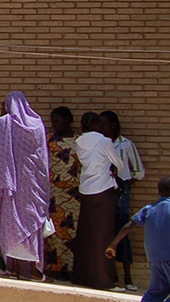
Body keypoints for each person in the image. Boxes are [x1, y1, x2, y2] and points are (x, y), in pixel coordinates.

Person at [0, 91, 53, 281]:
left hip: (11, 186)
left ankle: (15, 269)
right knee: (32, 225)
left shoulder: (4, 124)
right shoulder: (37, 125)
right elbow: (42, 157)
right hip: (33, 187)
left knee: (12, 225)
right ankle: (33, 270)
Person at [71, 112, 121, 289]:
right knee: (103, 236)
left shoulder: (79, 141)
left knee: (87, 234)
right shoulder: (105, 141)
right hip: (103, 190)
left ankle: (83, 276)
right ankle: (103, 279)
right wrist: (115, 168)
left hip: (86, 189)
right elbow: (119, 163)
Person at [104, 110, 146, 291]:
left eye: (104, 124)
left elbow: (139, 172)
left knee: (122, 229)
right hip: (105, 190)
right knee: (107, 230)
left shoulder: (126, 145)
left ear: (113, 125)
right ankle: (112, 275)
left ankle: (127, 276)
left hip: (121, 190)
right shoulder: (100, 144)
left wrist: (125, 186)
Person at [43, 107, 80, 279]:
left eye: (57, 121)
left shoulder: (79, 141)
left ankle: (72, 269)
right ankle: (55, 269)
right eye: (53, 121)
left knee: (72, 232)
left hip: (74, 194)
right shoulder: (49, 139)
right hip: (55, 192)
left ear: (68, 120)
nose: (55, 125)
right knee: (55, 233)